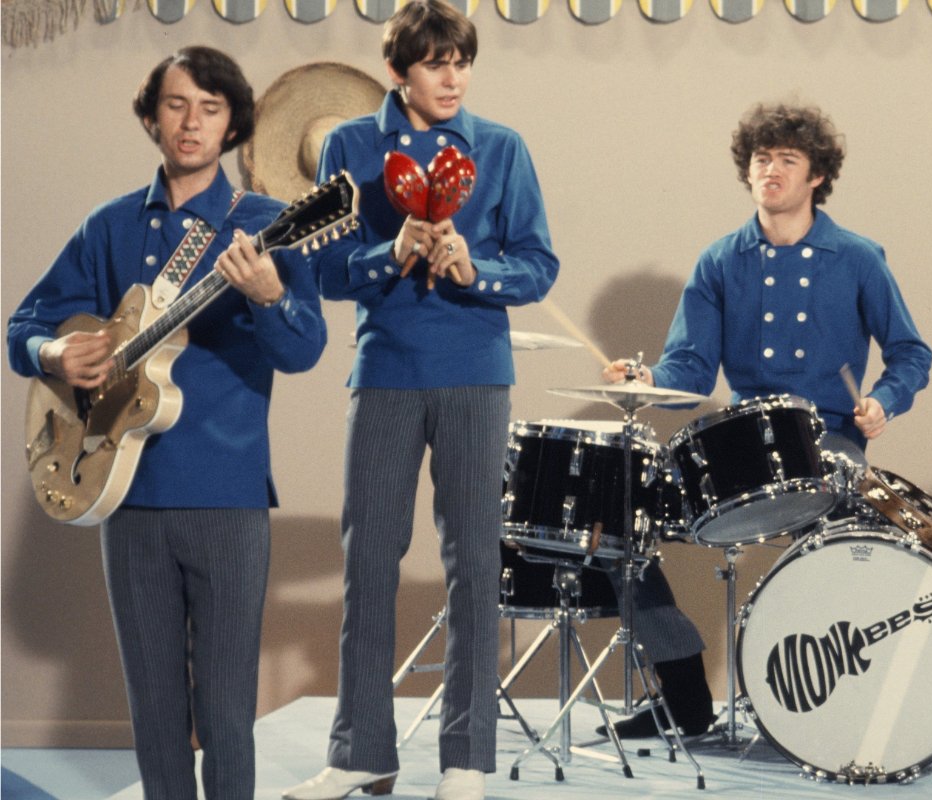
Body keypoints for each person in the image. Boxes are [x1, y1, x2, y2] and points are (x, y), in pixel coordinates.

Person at [6, 46, 327, 799]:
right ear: (152, 117)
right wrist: (56, 353)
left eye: (211, 109)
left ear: (233, 124)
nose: (192, 122)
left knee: (223, 708)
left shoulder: (265, 225)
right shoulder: (110, 225)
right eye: (178, 104)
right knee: (153, 710)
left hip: (227, 492)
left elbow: (304, 349)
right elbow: (26, 322)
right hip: (124, 492)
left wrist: (271, 294)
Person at [282, 2, 559, 799]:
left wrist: (481, 272)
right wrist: (388, 250)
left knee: (475, 561)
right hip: (386, 370)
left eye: (462, 62)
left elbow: (539, 264)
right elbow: (328, 276)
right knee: (368, 558)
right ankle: (361, 750)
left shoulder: (501, 148)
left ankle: (466, 761)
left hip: (476, 369)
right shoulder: (349, 146)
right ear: (400, 71)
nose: (452, 76)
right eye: (435, 62)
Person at [599, 102, 932, 738]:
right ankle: (685, 693)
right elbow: (691, 372)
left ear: (816, 177)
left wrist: (885, 400)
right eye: (761, 159)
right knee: (620, 516)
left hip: (830, 441)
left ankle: (835, 704)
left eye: (787, 160)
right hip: (741, 443)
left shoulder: (858, 257)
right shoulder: (720, 262)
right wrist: (645, 382)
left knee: (848, 538)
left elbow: (911, 354)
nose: (770, 170)